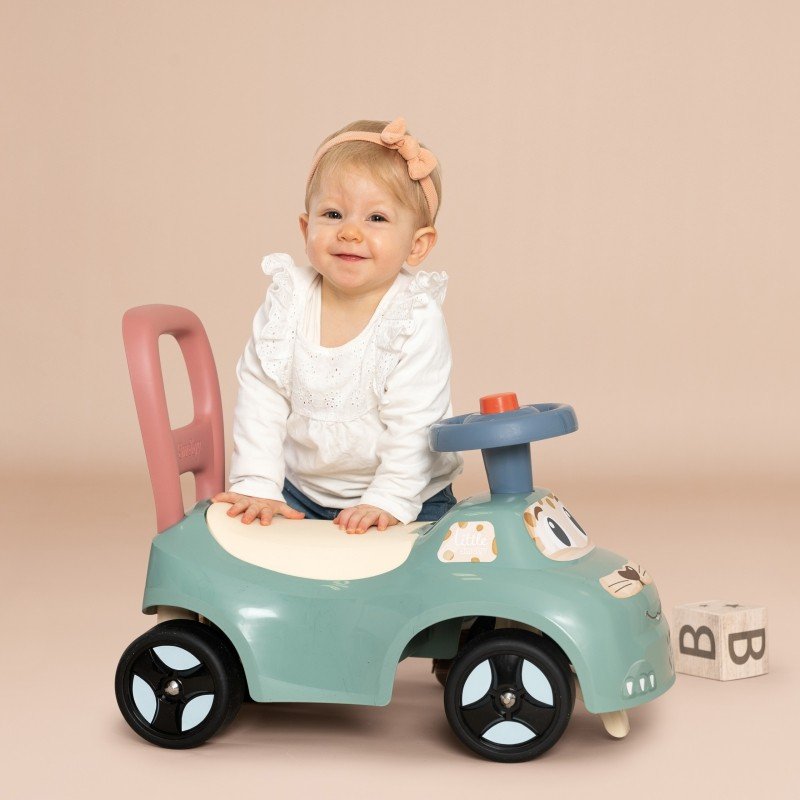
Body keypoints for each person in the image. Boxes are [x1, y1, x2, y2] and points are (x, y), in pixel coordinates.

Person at [212, 117, 462, 534]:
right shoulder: (288, 301)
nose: (349, 232)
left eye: (377, 219)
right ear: (307, 228)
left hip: (409, 491)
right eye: (333, 214)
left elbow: (415, 423)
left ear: (417, 245)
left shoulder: (412, 317)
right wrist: (258, 483)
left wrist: (390, 499)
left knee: (408, 576)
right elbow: (261, 396)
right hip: (300, 488)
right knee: (263, 554)